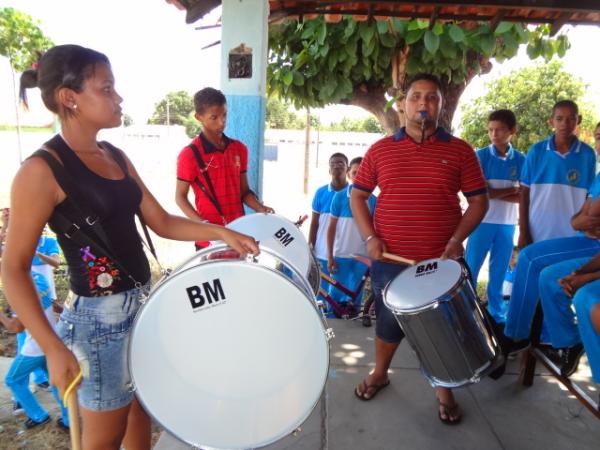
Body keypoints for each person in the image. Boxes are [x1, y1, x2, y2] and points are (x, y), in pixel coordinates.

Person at [2, 44, 258, 450]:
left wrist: (223, 233)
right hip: (99, 323)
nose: (119, 98)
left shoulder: (114, 155)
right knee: (104, 438)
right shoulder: (41, 170)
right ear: (70, 98)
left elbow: (161, 220)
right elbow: (12, 267)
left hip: (143, 303)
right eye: (107, 89)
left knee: (141, 413)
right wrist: (51, 347)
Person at [351, 73, 488, 424]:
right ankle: (381, 372)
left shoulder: (460, 151)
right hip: (391, 261)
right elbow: (358, 195)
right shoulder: (380, 149)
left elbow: (478, 202)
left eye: (431, 98)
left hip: (441, 264)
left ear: (441, 105)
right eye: (415, 97)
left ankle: (445, 388)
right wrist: (370, 237)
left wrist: (457, 240)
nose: (423, 104)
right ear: (402, 103)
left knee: (443, 327)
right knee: (388, 322)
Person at [502, 100, 598, 347]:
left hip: (574, 237)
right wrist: (524, 230)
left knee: (548, 278)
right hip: (540, 229)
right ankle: (518, 333)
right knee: (533, 270)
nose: (565, 123)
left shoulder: (588, 155)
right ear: (551, 121)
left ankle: (544, 338)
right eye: (559, 118)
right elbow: (524, 193)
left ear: (579, 121)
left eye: (570, 118)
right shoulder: (536, 151)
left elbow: (590, 206)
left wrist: (583, 223)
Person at [175, 87, 273, 249]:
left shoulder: (239, 149)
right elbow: (180, 197)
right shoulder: (189, 155)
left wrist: (259, 207)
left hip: (239, 234)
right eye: (214, 117)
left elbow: (244, 191)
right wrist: (203, 226)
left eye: (224, 115)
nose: (222, 122)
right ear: (199, 117)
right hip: (209, 241)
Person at [465, 110, 525, 323]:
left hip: (507, 224)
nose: (494, 134)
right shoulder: (479, 156)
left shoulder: (521, 159)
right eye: (491, 130)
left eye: (499, 130)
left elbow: (524, 198)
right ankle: (466, 314)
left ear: (512, 131)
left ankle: (496, 316)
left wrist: (497, 193)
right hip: (481, 222)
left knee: (498, 272)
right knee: (470, 268)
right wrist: (511, 190)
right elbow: (482, 193)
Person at [1, 270, 70, 430]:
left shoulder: (18, 285)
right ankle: (69, 420)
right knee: (55, 382)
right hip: (52, 341)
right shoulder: (39, 278)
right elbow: (55, 305)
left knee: (13, 380)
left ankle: (38, 416)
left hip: (36, 346)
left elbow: (16, 326)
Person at [326, 156, 376, 310]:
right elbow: (331, 228)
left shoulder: (373, 200)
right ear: (349, 174)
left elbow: (376, 231)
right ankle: (331, 320)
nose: (359, 176)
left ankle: (353, 316)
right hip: (341, 254)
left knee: (356, 293)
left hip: (363, 256)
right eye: (355, 173)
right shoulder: (339, 197)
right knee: (335, 292)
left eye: (362, 173)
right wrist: (329, 256)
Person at [309, 153, 349, 292]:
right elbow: (314, 223)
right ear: (329, 170)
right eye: (333, 164)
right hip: (321, 253)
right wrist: (311, 247)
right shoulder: (320, 192)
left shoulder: (353, 195)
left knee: (341, 296)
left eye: (341, 163)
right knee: (322, 294)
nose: (336, 166)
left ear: (347, 169)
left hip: (343, 253)